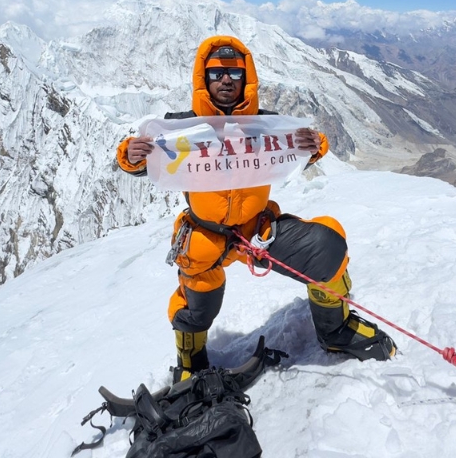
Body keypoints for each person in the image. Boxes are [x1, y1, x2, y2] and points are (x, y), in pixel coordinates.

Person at [117, 35, 396, 383]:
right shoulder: (180, 127)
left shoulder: (266, 125)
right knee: (195, 298)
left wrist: (315, 146)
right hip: (206, 232)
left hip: (258, 230)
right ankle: (190, 359)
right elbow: (144, 161)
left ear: (246, 78)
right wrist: (130, 155)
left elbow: (295, 151)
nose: (226, 80)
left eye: (234, 74)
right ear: (203, 80)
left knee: (328, 245)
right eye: (217, 74)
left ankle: (335, 329)